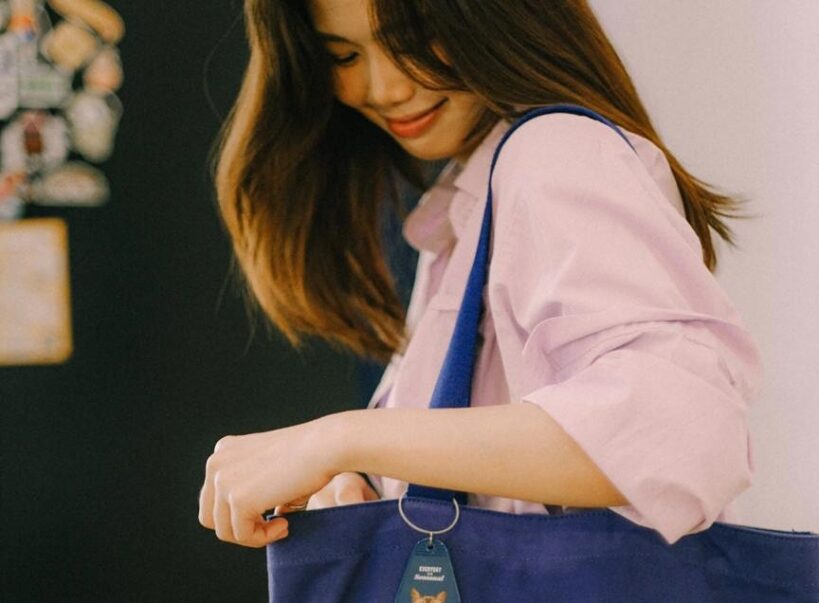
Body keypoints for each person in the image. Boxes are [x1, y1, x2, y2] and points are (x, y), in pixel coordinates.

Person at [199, 0, 761, 553]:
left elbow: (682, 436)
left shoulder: (552, 156)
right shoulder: (472, 200)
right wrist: (361, 480)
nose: (386, 88)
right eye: (343, 56)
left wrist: (339, 441)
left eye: (412, 39)